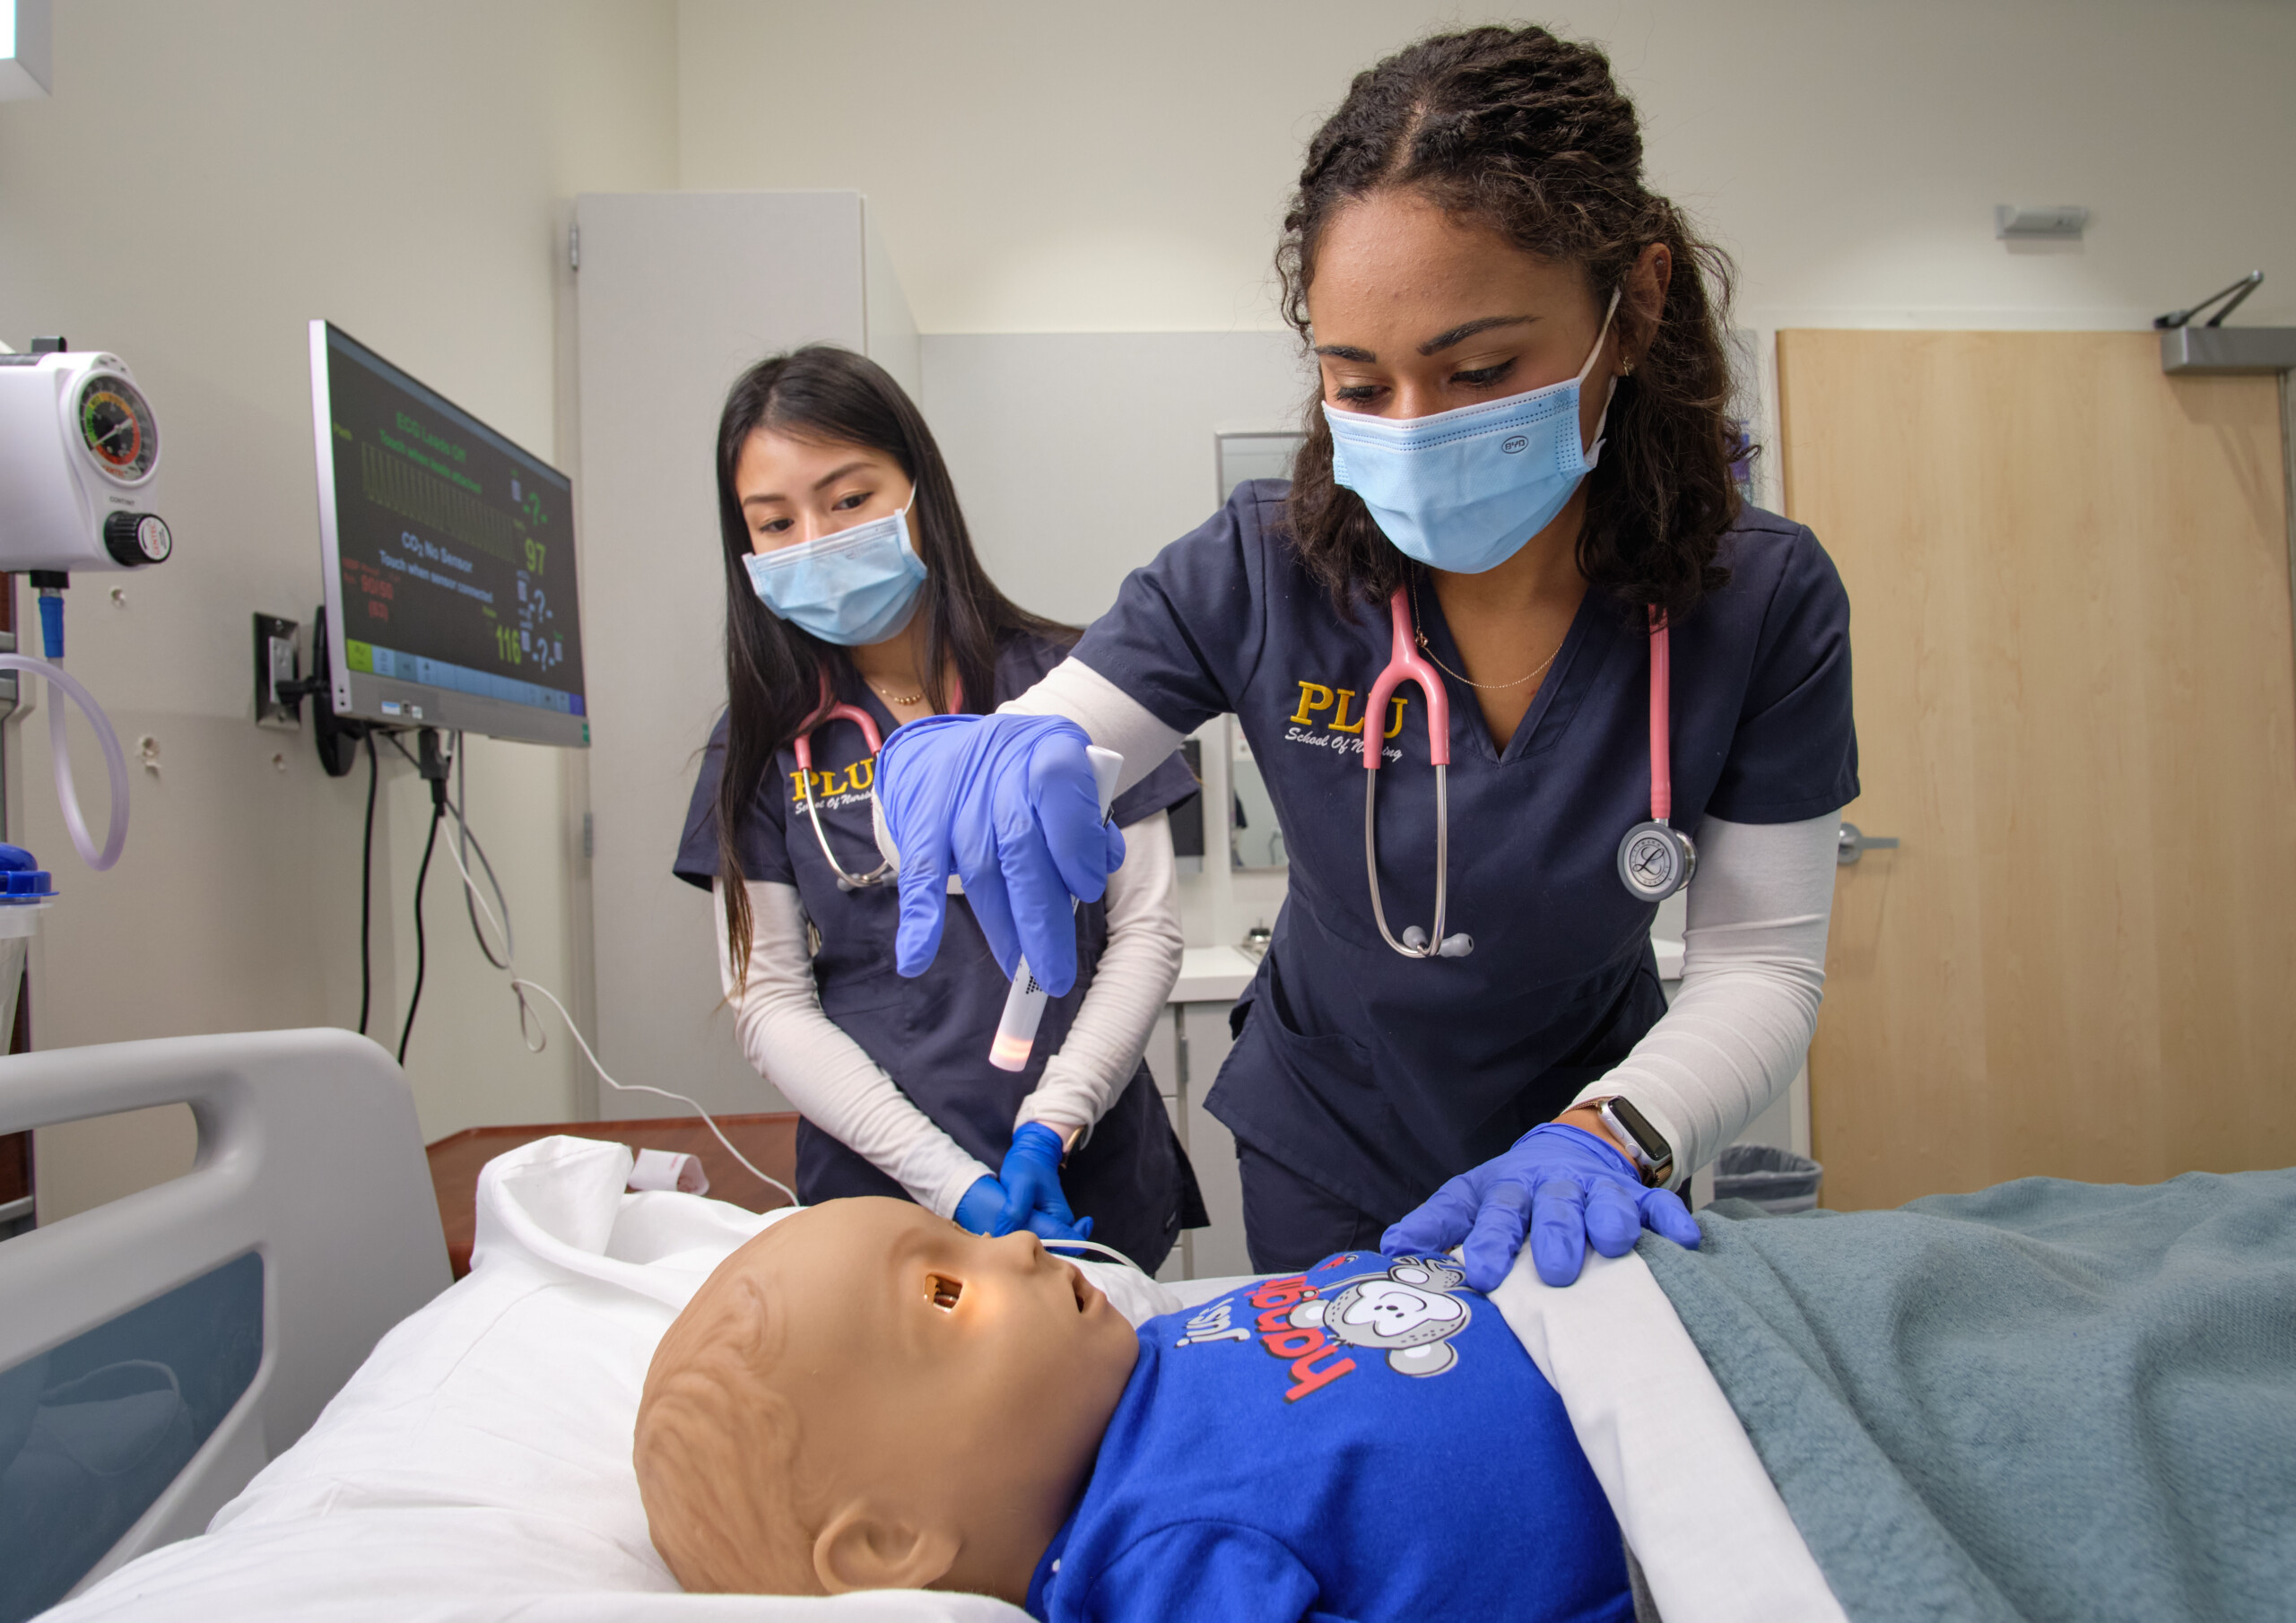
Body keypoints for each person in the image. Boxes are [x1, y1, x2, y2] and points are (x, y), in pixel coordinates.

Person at [875, 25, 1854, 1288]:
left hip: (1597, 1128)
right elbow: (1065, 732)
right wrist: (971, 766)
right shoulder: (1264, 564)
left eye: (1480, 369)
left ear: (1637, 301)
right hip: (1325, 1131)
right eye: (1357, 378)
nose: (1411, 430)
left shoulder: (1758, 596)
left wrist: (1613, 1135)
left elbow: (1764, 962)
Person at [672, 346, 1207, 1271]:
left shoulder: (1074, 685)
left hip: (1088, 1169)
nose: (816, 542)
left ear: (919, 489)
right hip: (880, 1195)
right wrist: (946, 1177)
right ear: (746, 548)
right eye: (774, 521)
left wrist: (1055, 1120)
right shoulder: (759, 743)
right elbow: (769, 1003)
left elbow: (1147, 932)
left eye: (848, 500)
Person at [633, 1198, 1632, 1621]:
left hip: (1596, 1297)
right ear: (892, 1544)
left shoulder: (1131, 1359)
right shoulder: (1151, 1565)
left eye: (960, 1239)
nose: (1019, 1248)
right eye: (944, 1292)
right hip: (1660, 1435)